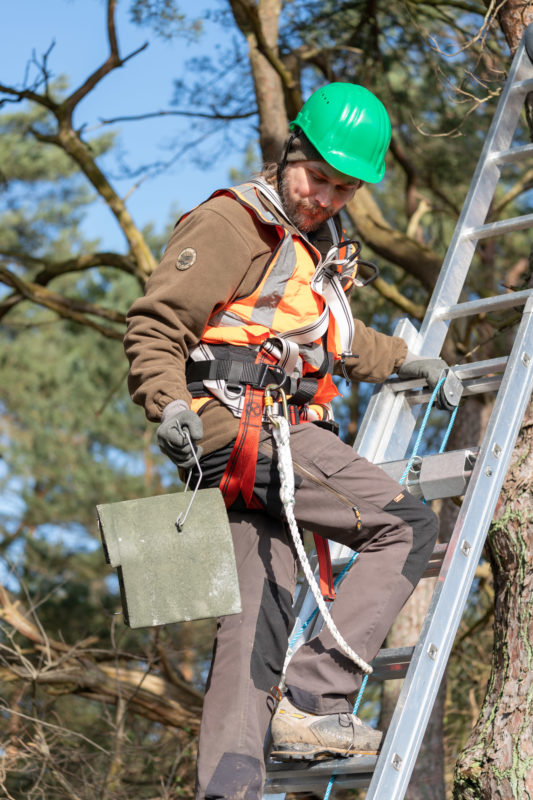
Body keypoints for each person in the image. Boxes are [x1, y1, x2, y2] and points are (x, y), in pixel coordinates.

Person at [124, 82, 447, 799]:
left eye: (343, 189)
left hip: (267, 439)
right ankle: (314, 699)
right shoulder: (231, 224)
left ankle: (226, 790)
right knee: (403, 525)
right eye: (316, 178)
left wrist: (400, 359)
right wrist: (167, 401)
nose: (325, 198)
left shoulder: (308, 252)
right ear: (286, 153)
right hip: (241, 426)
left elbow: (334, 338)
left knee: (252, 631)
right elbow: (155, 323)